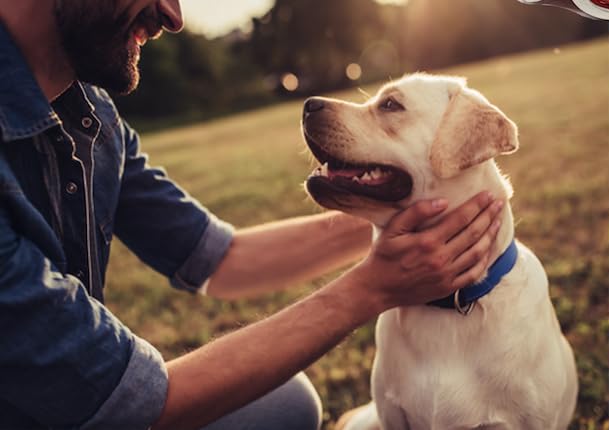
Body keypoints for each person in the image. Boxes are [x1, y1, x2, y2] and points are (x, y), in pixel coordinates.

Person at [0, 1, 504, 429]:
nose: (173, 16)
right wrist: (372, 287)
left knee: (287, 405)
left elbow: (223, 259)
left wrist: (408, 208)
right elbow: (126, 402)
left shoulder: (92, 118)